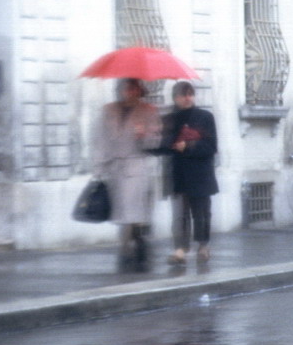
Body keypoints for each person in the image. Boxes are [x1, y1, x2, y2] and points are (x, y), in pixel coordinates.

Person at [93, 78, 162, 270]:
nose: (128, 92)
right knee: (122, 214)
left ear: (139, 91)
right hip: (115, 169)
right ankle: (131, 246)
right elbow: (101, 140)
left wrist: (144, 136)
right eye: (125, 88)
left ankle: (131, 249)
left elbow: (155, 143)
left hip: (137, 167)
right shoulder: (109, 110)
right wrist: (99, 168)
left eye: (132, 89)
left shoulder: (149, 111)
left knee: (133, 214)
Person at [159, 81, 219, 266]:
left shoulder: (205, 117)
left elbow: (211, 146)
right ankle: (180, 250)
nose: (187, 98)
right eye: (183, 94)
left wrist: (189, 145)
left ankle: (203, 245)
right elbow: (162, 147)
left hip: (200, 174)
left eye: (190, 94)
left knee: (201, 213)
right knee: (179, 215)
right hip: (177, 174)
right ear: (175, 97)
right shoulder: (169, 119)